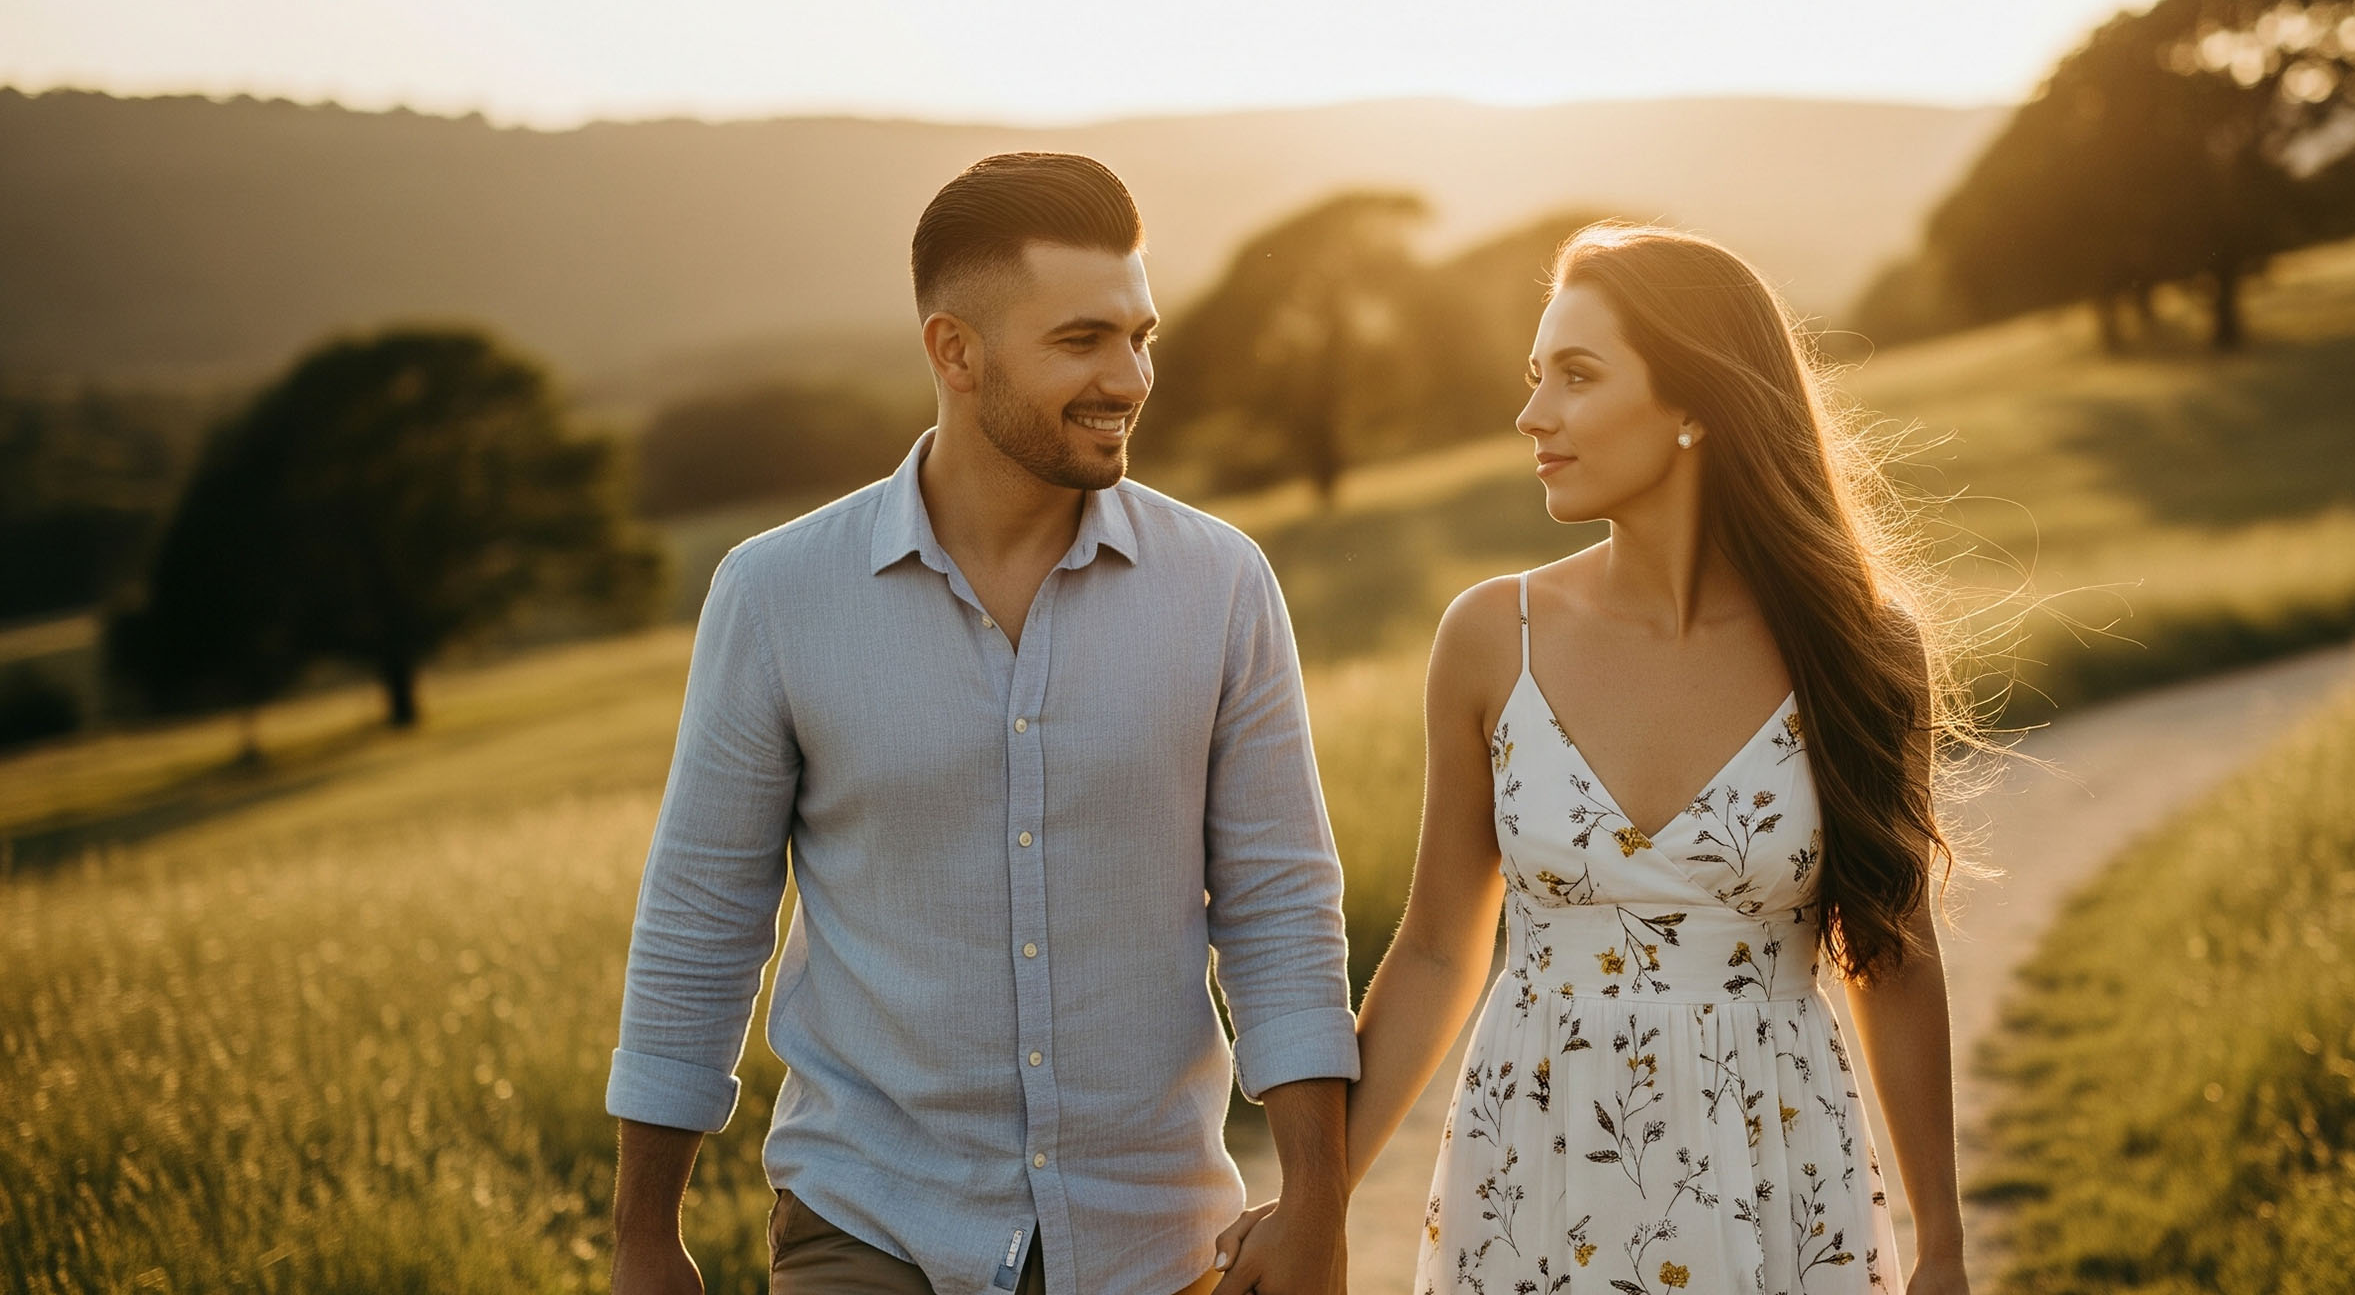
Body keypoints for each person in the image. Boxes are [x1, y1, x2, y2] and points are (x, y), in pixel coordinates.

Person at [606, 152, 1358, 1295]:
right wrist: (642, 1235)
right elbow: (703, 917)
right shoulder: (776, 596)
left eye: (1139, 335)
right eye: (1081, 341)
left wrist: (1317, 1206)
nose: (1129, 376)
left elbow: (1277, 906)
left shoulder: (1221, 585)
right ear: (955, 351)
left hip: (1151, 1241)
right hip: (870, 1219)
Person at [1222, 223, 1975, 1294]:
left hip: (1777, 1171)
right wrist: (1314, 1201)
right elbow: (1437, 951)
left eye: (1576, 376)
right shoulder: (1492, 639)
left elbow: (1892, 951)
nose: (1533, 415)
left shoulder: (1859, 647)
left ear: (1694, 406)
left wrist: (1942, 1246)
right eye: (1535, 377)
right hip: (1537, 1171)